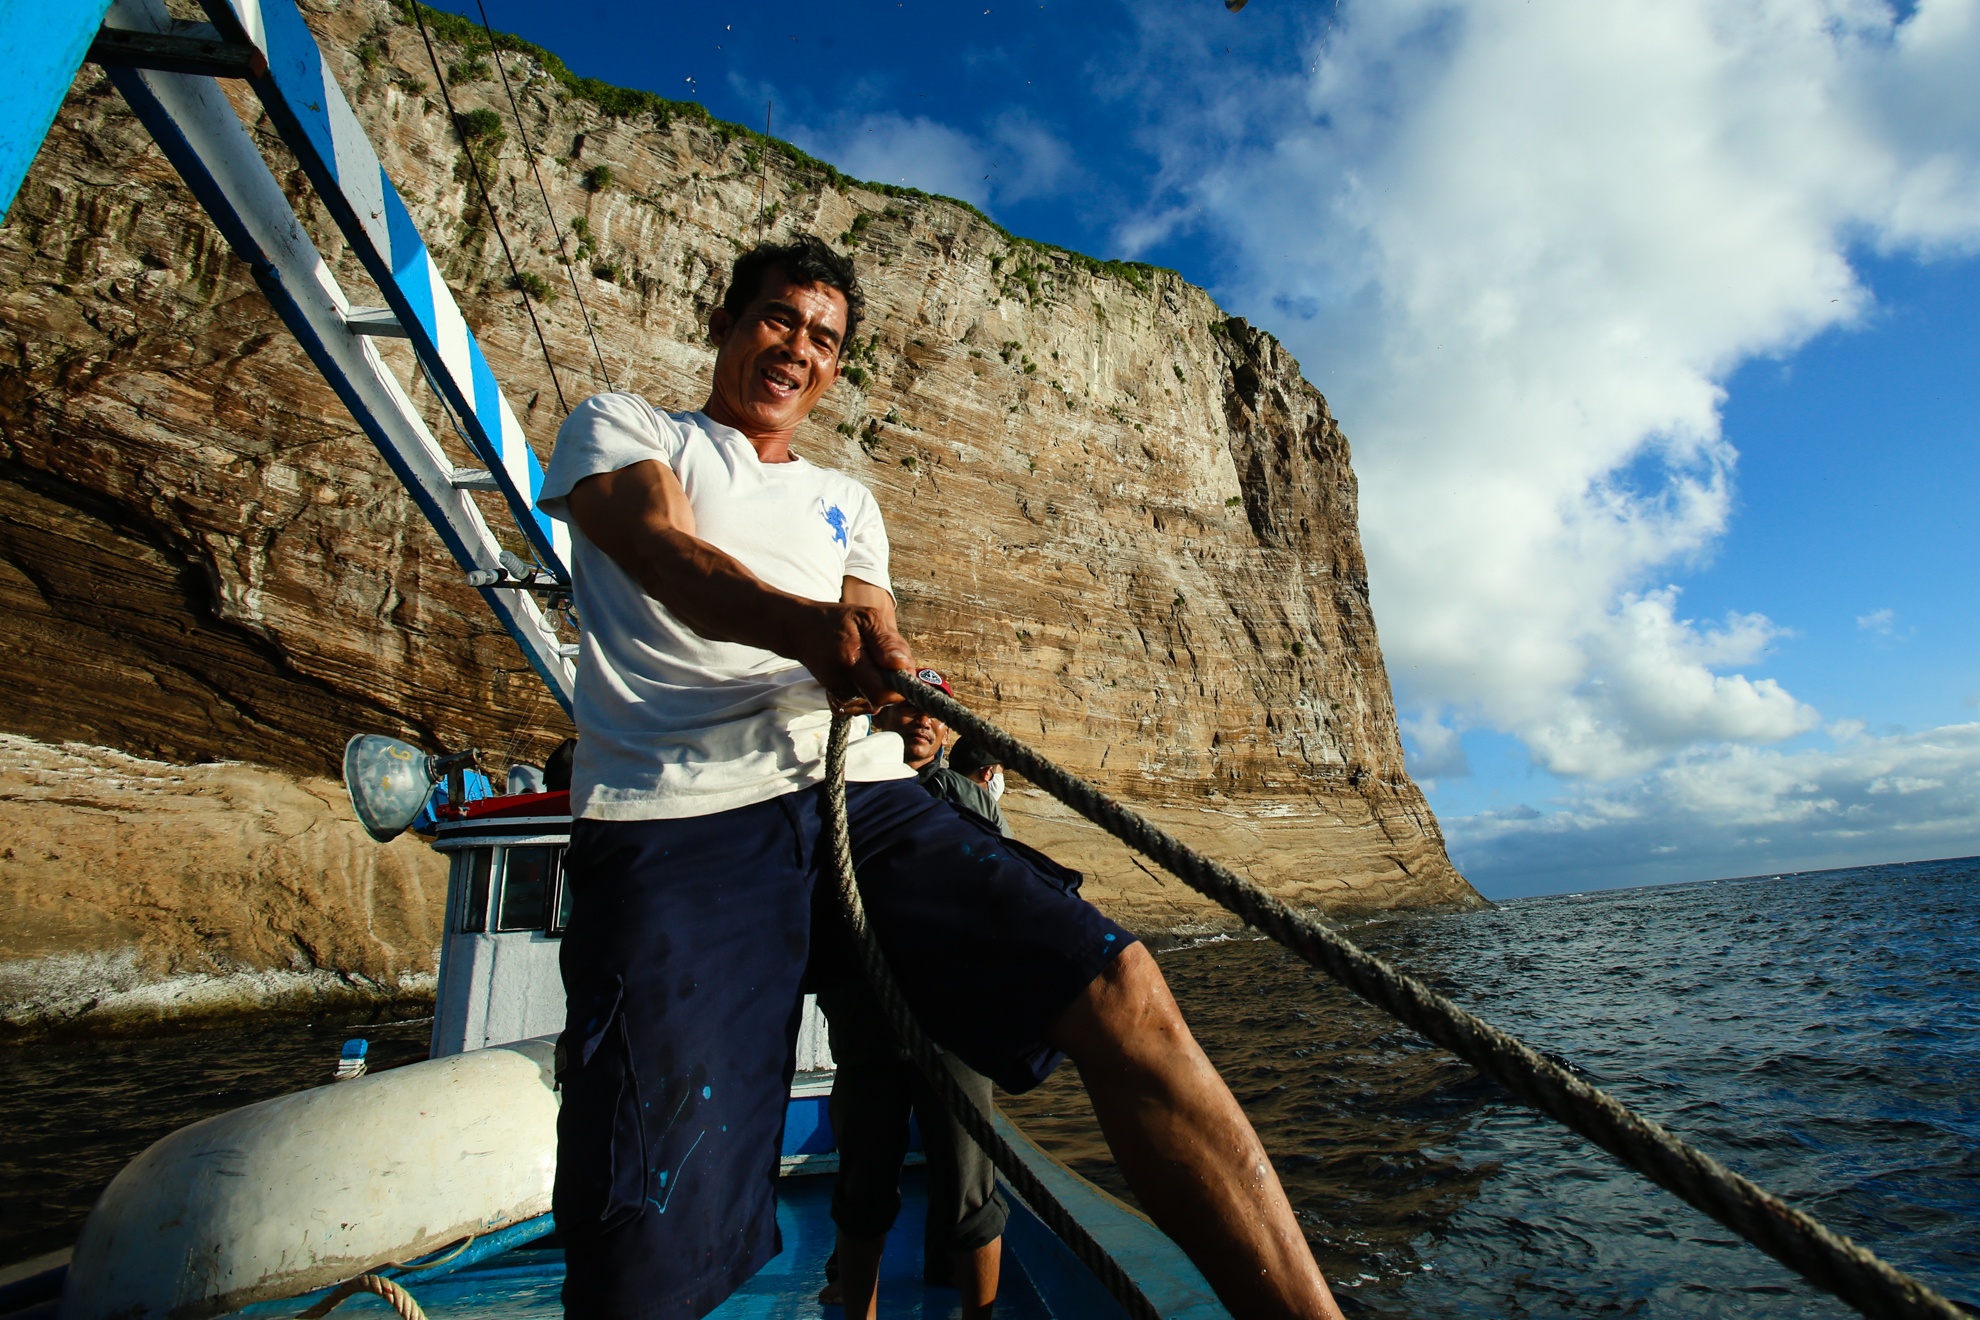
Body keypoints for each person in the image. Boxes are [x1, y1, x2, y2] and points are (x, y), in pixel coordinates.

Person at [538, 234, 1346, 1320]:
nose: (799, 350)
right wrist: (808, 633)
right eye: (779, 318)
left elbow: (879, 637)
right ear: (727, 320)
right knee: (645, 1228)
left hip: (866, 799)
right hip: (682, 815)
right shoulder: (627, 427)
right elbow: (661, 554)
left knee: (1124, 991)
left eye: (825, 339)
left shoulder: (847, 499)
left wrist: (909, 703)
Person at [818, 666, 1009, 1320]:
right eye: (911, 707)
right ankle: (853, 1296)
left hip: (953, 1021)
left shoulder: (969, 801)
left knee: (970, 1185)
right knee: (863, 1180)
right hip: (868, 1019)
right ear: (881, 713)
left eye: (936, 710)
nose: (925, 720)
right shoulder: (839, 792)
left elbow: (997, 899)